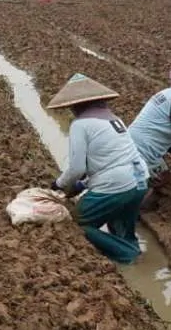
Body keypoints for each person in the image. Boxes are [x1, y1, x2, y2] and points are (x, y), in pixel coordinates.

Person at [46, 74, 149, 264]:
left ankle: (129, 256)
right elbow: (109, 158)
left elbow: (77, 168)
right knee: (123, 227)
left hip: (116, 184)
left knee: (76, 224)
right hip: (140, 179)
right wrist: (83, 184)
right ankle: (133, 254)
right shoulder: (113, 119)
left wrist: (59, 185)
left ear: (76, 105)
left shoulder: (80, 125)